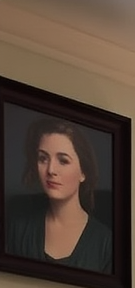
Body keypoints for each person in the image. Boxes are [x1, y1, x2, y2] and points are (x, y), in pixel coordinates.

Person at [6, 117, 113, 273]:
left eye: (63, 161)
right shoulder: (18, 229)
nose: (51, 170)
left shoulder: (106, 243)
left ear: (83, 172)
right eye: (43, 158)